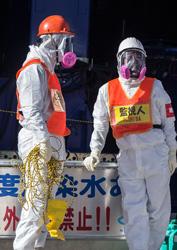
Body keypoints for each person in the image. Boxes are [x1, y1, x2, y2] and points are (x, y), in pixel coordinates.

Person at [83, 37, 177, 250]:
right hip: (128, 158)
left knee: (160, 212)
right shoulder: (107, 90)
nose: (133, 64)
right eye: (128, 58)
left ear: (144, 61)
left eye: (137, 58)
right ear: (119, 62)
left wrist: (172, 151)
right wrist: (95, 150)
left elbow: (169, 122)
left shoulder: (155, 86)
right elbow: (100, 124)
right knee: (134, 212)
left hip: (156, 155)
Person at [13, 15, 76, 250]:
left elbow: (54, 111)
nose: (68, 48)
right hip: (38, 140)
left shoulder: (48, 71)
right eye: (64, 40)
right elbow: (32, 112)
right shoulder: (34, 69)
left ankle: (36, 247)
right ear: (51, 40)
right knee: (37, 201)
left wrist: (57, 143)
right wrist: (42, 143)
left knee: (47, 203)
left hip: (52, 140)